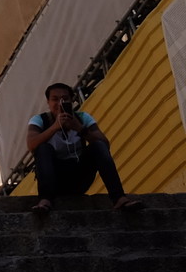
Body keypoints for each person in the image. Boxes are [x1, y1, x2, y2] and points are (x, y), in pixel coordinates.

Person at [28, 83, 141, 212]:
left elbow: (104, 144)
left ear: (71, 101)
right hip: (55, 179)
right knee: (43, 148)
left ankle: (119, 198)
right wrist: (55, 127)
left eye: (65, 99)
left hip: (79, 177)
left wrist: (80, 128)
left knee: (98, 145)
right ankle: (45, 200)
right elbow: (31, 145)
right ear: (48, 102)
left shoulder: (82, 118)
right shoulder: (39, 120)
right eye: (55, 99)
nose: (60, 103)